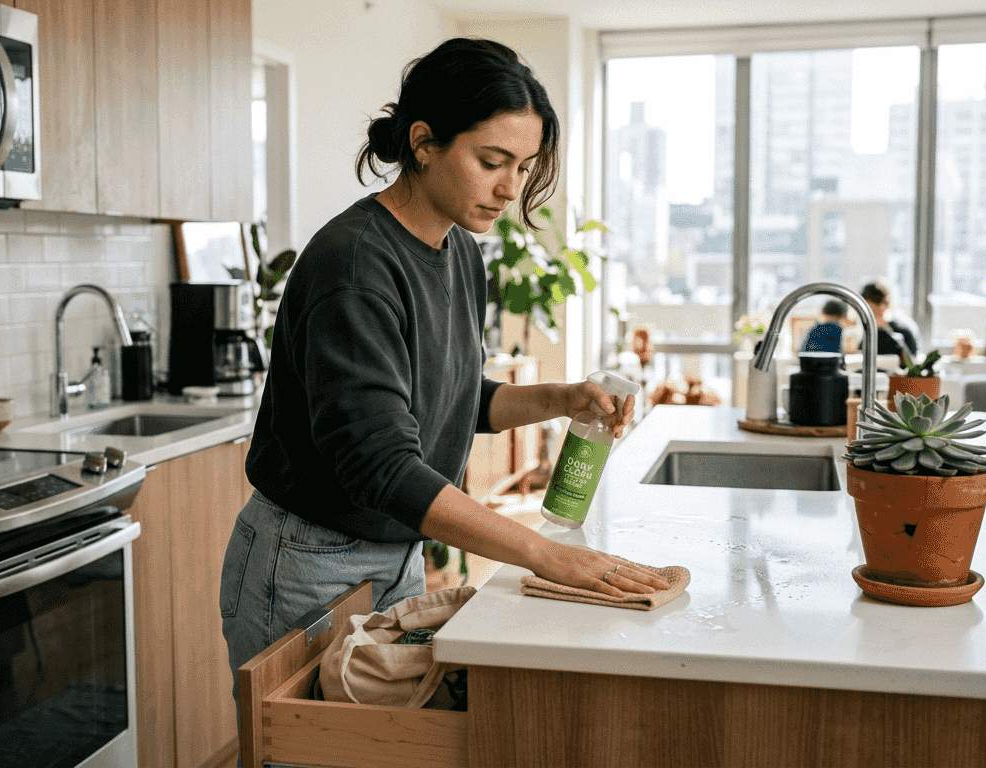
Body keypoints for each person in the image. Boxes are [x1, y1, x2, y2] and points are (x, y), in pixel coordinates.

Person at [219, 37, 669, 714]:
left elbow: (452, 396)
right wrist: (542, 556)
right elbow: (380, 463)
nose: (512, 188)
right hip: (310, 562)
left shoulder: (459, 251)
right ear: (423, 142)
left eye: (523, 166)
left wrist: (564, 397)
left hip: (393, 551)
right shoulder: (355, 267)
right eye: (492, 162)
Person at [858, 280, 920, 364]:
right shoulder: (863, 330)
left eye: (877, 304)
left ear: (886, 304)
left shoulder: (902, 330)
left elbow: (911, 363)